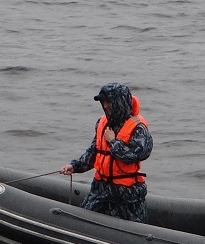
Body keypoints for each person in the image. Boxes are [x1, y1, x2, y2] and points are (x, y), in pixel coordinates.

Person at [60, 83, 152, 222]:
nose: (106, 105)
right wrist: (75, 166)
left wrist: (114, 142)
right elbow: (94, 151)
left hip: (127, 191)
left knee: (136, 230)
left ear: (119, 101)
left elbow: (138, 154)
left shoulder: (138, 128)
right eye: (103, 102)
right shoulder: (102, 123)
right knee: (82, 221)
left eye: (109, 101)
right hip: (101, 187)